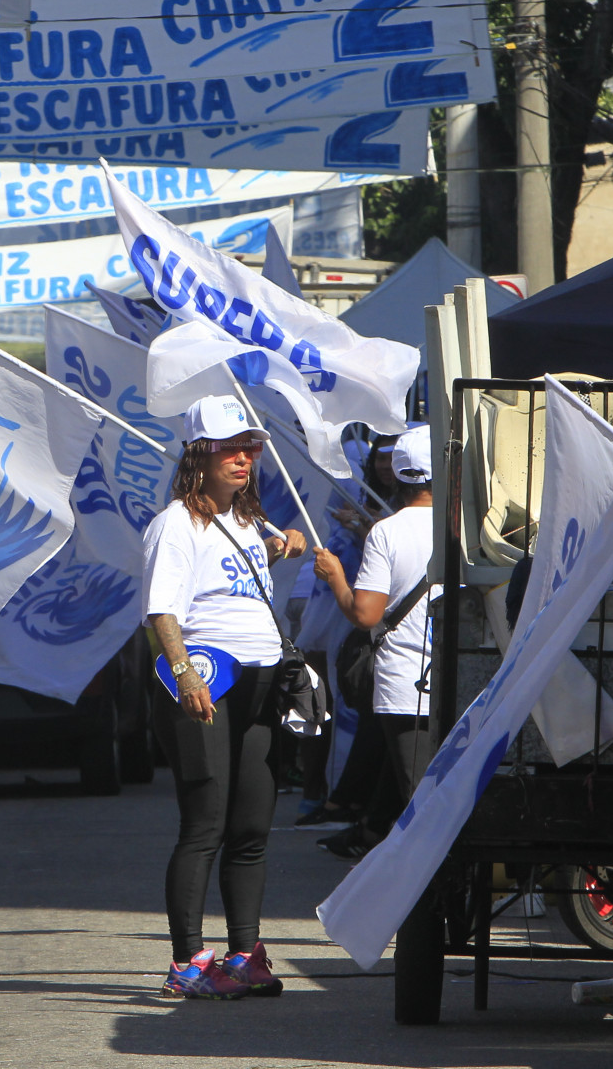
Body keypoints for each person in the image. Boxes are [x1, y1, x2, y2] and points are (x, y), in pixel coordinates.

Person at [143, 394, 308, 1000]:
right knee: (204, 824)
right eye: (231, 448)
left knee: (251, 825)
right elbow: (161, 609)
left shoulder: (248, 521)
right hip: (207, 684)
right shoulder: (175, 524)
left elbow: (251, 559)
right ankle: (187, 962)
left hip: (263, 682)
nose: (245, 458)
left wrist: (282, 540)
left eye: (252, 448)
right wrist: (184, 675)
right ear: (200, 455)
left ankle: (244, 955)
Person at [314, 423, 442, 837]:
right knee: (444, 799)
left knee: (418, 804)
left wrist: (335, 574)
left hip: (407, 684)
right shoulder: (466, 526)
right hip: (461, 679)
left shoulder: (388, 530)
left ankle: (423, 895)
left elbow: (366, 614)